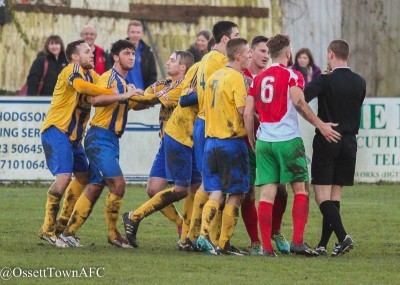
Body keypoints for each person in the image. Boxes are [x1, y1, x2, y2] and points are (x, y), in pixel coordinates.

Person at [244, 34, 341, 257]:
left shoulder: (258, 79)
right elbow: (299, 102)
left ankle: (267, 248)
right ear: (288, 54)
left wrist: (251, 138)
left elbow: (248, 113)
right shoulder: (292, 75)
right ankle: (298, 241)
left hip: (265, 141)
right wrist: (320, 124)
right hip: (288, 140)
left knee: (267, 194)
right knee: (301, 190)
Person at [38, 39, 133, 248]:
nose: (92, 55)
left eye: (92, 52)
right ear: (75, 56)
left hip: (74, 139)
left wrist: (132, 93)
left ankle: (62, 226)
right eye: (87, 51)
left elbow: (105, 88)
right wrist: (120, 94)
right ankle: (47, 228)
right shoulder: (71, 69)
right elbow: (83, 88)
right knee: (63, 178)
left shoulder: (94, 75)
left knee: (83, 177)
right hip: (57, 130)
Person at [60, 40, 145, 248]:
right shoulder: (108, 77)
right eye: (127, 53)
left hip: (110, 139)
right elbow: (95, 100)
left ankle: (69, 232)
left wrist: (154, 98)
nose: (131, 57)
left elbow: (131, 105)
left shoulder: (124, 83)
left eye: (133, 53)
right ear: (116, 58)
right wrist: (126, 95)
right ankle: (112, 233)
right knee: (119, 184)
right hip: (99, 137)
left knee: (96, 186)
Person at [122, 51, 196, 248]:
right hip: (167, 142)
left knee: (189, 189)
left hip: (184, 142)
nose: (167, 62)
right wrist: (131, 95)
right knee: (153, 189)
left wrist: (126, 94)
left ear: (183, 68)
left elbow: (148, 100)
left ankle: (188, 235)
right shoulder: (163, 84)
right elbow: (139, 104)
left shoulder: (183, 85)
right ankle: (181, 225)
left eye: (172, 60)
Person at [304, 39, 366, 257]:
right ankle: (323, 244)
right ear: (347, 55)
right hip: (349, 142)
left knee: (321, 196)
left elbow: (302, 97)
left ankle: (343, 237)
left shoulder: (325, 80)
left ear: (330, 54)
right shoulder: (360, 81)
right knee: (334, 196)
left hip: (328, 138)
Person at [185, 20, 240, 248]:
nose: (239, 38)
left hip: (203, 122)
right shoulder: (219, 61)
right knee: (217, 186)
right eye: (236, 35)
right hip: (213, 125)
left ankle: (189, 237)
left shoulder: (206, 58)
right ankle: (212, 240)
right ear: (226, 39)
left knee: (208, 184)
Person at [196, 38, 250, 256]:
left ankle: (203, 236)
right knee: (237, 194)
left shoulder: (213, 78)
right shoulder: (237, 78)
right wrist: (253, 134)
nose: (249, 56)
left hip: (211, 143)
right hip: (231, 142)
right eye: (247, 53)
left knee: (216, 192)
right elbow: (242, 111)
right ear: (238, 56)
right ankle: (224, 243)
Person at [241, 35, 290, 255]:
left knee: (282, 190)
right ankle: (255, 242)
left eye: (268, 52)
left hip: (270, 140)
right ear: (251, 52)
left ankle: (276, 231)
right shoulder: (241, 76)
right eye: (262, 51)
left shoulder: (273, 76)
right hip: (246, 142)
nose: (266, 56)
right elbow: (244, 110)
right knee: (248, 193)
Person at [126, 20, 157, 89]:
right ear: (128, 33)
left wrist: (148, 92)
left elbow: (153, 76)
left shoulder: (148, 53)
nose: (135, 35)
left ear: (142, 33)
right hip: (123, 94)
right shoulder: (118, 50)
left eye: (138, 32)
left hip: (142, 94)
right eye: (133, 32)